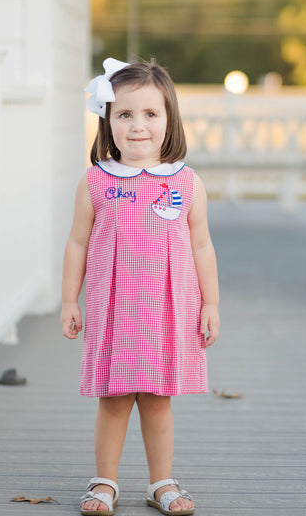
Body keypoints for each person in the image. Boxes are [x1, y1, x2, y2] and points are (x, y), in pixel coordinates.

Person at [60, 57, 220, 516]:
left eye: (150, 114)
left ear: (169, 121)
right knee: (113, 400)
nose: (137, 126)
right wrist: (70, 298)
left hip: (166, 311)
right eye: (124, 115)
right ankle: (104, 482)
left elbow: (203, 246)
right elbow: (77, 243)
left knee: (156, 399)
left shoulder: (187, 183)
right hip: (114, 309)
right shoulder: (97, 182)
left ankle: (160, 483)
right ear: (107, 122)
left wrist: (211, 303)